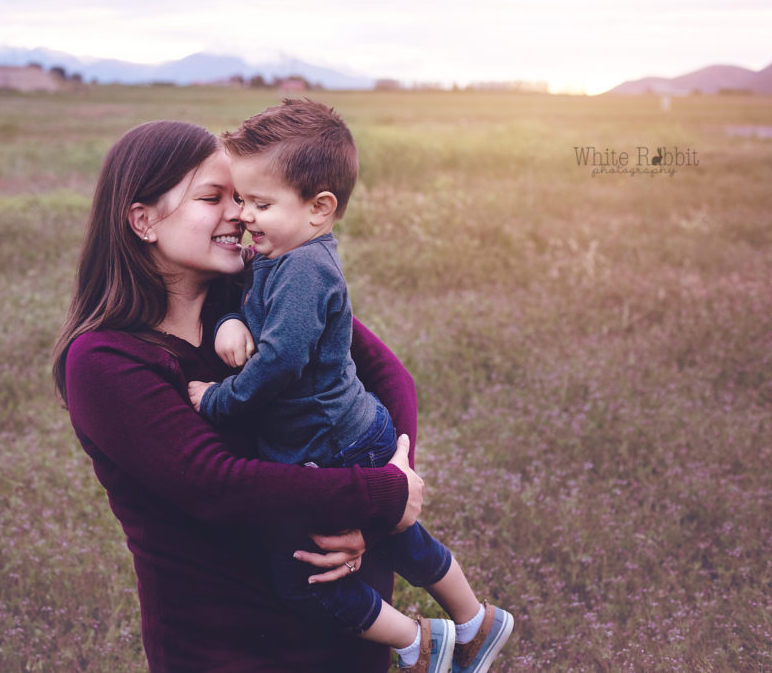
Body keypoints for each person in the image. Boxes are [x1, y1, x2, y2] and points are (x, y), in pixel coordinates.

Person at [52, 119, 436, 671]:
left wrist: (380, 502)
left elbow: (387, 374)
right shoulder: (105, 361)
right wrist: (378, 496)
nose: (240, 213)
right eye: (214, 198)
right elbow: (217, 484)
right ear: (143, 221)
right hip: (228, 645)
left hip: (351, 624)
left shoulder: (259, 286)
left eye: (242, 197)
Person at [187, 99, 513, 672]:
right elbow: (242, 306)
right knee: (398, 535)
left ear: (320, 209)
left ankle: (419, 643)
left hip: (331, 443)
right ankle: (475, 621)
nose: (244, 216)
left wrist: (218, 400)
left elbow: (281, 362)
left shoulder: (305, 269)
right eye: (240, 199)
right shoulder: (277, 252)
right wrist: (229, 323)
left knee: (305, 573)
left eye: (259, 203)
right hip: (347, 431)